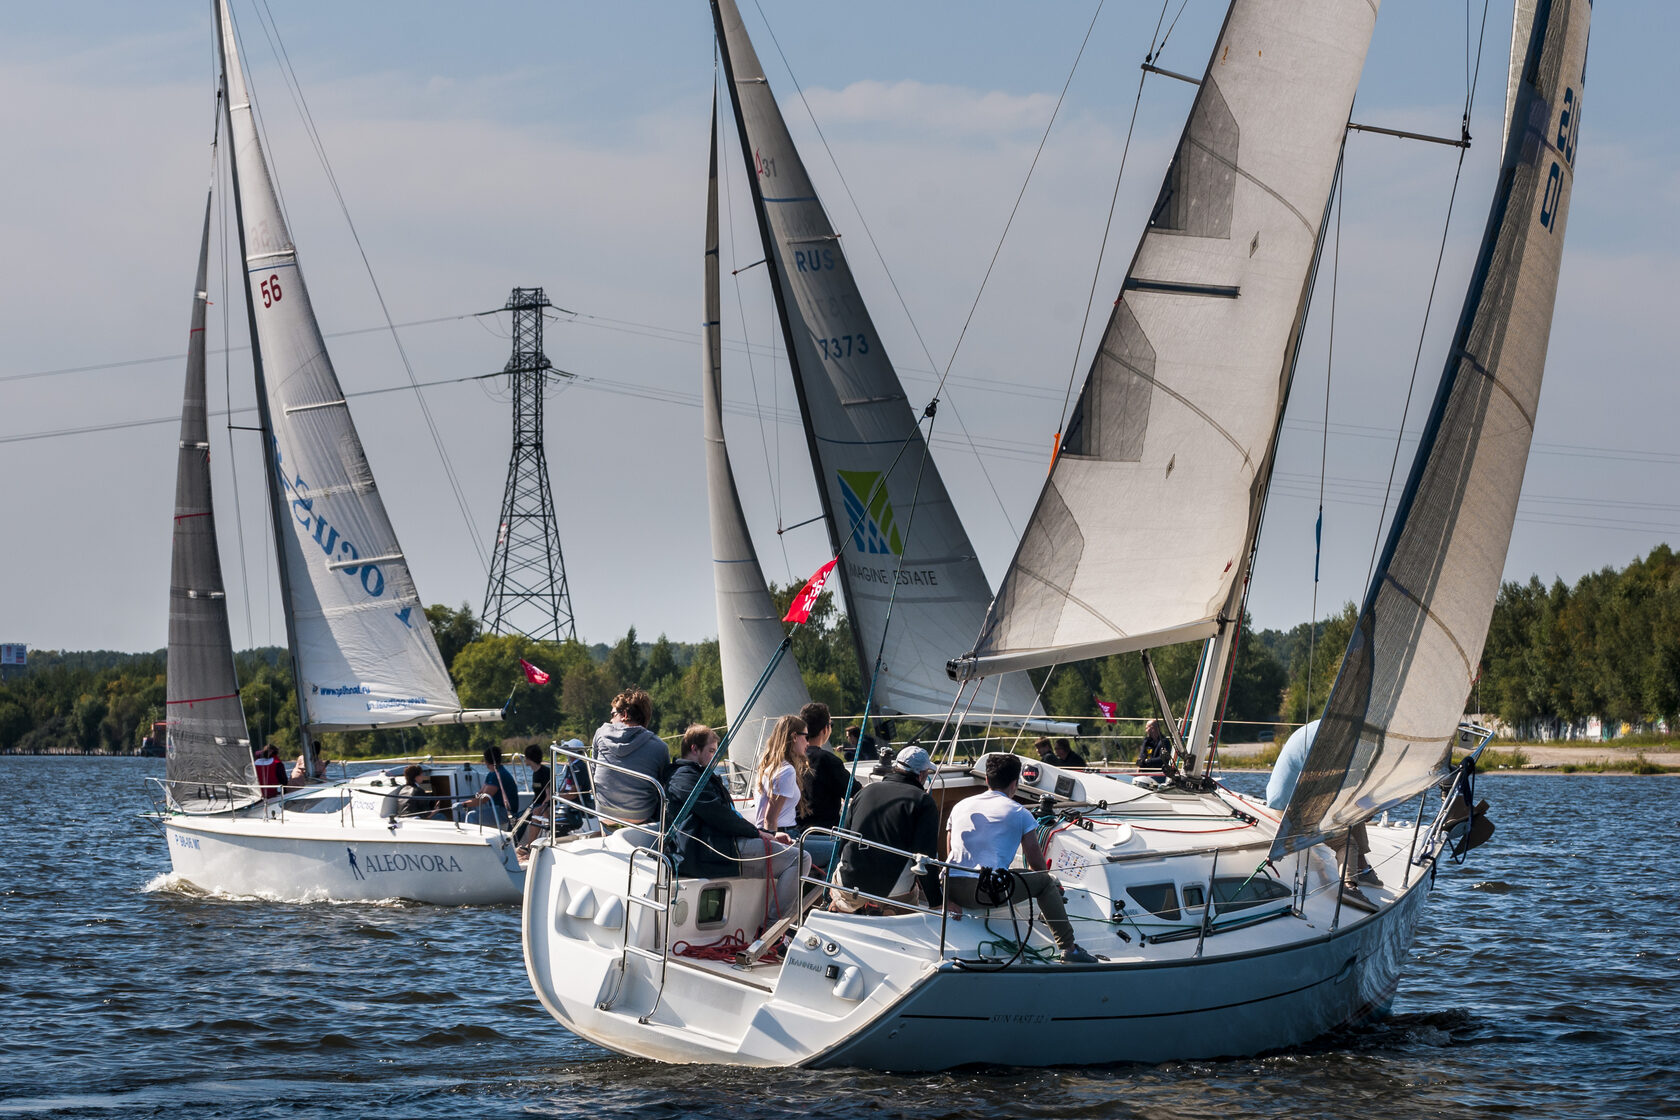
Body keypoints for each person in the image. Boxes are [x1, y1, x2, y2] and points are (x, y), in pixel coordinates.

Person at [945, 753, 1098, 963]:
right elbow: (1036, 863)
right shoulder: (1019, 813)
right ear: (1015, 784)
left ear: (987, 780)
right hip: (983, 892)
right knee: (1045, 881)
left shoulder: (959, 806)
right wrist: (1052, 886)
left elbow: (949, 856)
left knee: (1022, 876)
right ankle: (1069, 948)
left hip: (949, 888)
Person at [665, 724, 805, 919]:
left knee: (799, 854)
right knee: (800, 859)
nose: (715, 757)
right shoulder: (683, 778)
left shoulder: (699, 776)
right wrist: (761, 834)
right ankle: (776, 930)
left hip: (722, 844)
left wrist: (769, 835)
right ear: (694, 749)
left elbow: (727, 815)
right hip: (710, 851)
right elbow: (718, 815)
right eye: (711, 751)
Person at [830, 745, 946, 914]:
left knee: (838, 885)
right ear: (921, 775)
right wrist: (936, 902)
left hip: (850, 881)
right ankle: (891, 909)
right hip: (892, 889)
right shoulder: (924, 802)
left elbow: (843, 842)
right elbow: (923, 858)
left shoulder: (865, 791)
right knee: (913, 894)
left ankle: (842, 905)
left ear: (895, 768)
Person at [1265, 720, 1377, 891]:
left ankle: (1363, 869)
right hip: (1293, 810)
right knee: (1347, 843)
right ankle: (1349, 886)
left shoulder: (1316, 729)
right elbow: (1332, 783)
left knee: (1353, 814)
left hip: (1280, 802)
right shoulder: (1327, 742)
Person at [754, 715, 834, 870]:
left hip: (784, 833)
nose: (808, 742)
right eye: (805, 736)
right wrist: (775, 850)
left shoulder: (769, 765)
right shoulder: (786, 771)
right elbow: (769, 819)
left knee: (837, 842)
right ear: (794, 737)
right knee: (840, 849)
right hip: (785, 837)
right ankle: (830, 894)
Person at [591, 689, 671, 826]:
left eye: (613, 714)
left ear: (625, 715)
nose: (610, 720)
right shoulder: (660, 747)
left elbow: (593, 773)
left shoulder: (600, 734)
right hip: (640, 816)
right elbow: (662, 787)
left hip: (604, 814)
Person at [795, 702, 849, 835]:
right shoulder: (828, 760)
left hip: (795, 832)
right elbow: (857, 793)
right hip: (823, 835)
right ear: (825, 729)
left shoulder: (792, 758)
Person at [464, 745, 518, 829]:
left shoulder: (497, 774)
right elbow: (481, 793)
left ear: (486, 761)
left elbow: (484, 799)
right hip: (498, 808)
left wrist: (463, 804)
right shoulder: (492, 773)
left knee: (472, 816)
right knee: (471, 811)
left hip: (505, 812)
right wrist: (468, 803)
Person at [515, 744, 552, 853]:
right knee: (518, 817)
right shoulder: (535, 773)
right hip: (536, 804)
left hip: (545, 805)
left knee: (526, 817)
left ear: (530, 758)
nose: (524, 759)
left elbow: (549, 794)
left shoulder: (544, 772)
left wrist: (541, 807)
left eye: (526, 757)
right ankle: (515, 843)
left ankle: (529, 847)